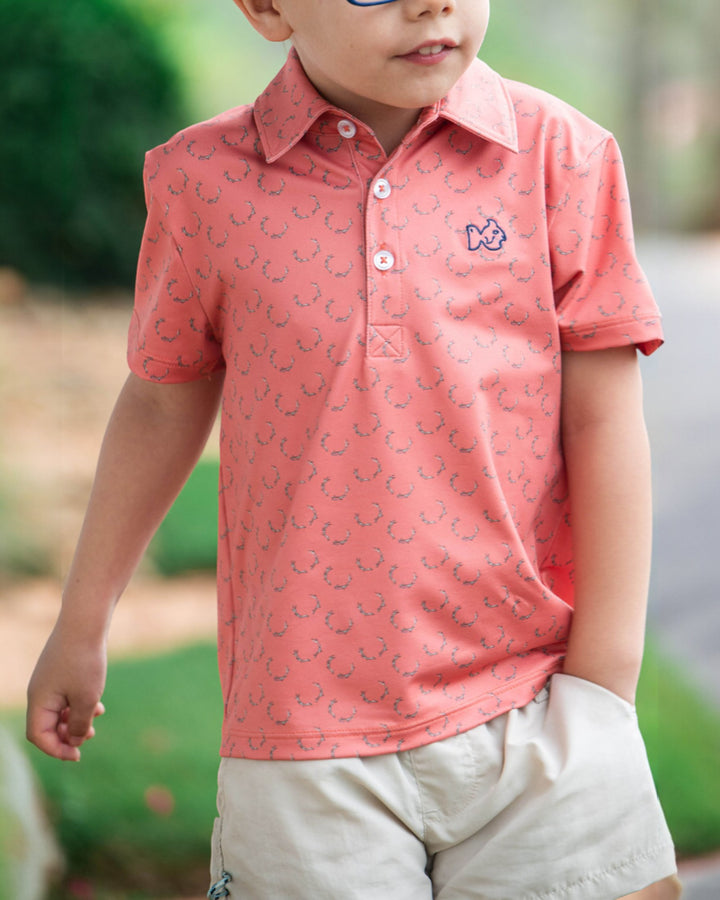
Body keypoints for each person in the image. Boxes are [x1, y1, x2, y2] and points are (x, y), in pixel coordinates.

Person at [26, 1, 682, 897]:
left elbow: (604, 422)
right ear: (264, 7)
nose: (431, 3)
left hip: (536, 711)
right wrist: (83, 621)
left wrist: (604, 690)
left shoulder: (562, 158)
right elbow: (160, 400)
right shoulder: (202, 183)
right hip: (300, 739)